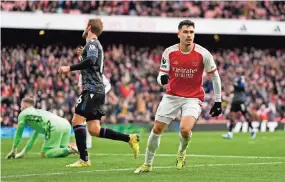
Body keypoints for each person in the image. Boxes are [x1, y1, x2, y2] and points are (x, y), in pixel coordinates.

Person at [134, 20, 222, 173]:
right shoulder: (169, 52)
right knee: (157, 129)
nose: (189, 35)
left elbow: (215, 77)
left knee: (185, 130)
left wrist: (218, 101)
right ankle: (147, 164)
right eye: (186, 32)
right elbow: (161, 75)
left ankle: (181, 152)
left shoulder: (203, 54)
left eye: (191, 32)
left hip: (193, 98)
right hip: (172, 96)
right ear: (179, 34)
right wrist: (161, 80)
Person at [58, 18, 139, 167]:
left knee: (76, 121)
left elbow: (92, 61)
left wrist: (69, 67)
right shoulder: (92, 45)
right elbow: (91, 62)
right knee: (94, 129)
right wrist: (83, 56)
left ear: (89, 28)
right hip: (97, 90)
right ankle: (129, 138)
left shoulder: (93, 43)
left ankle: (84, 159)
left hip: (92, 89)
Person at [6, 97, 78, 159]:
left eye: (21, 106)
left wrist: (13, 150)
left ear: (24, 106)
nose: (20, 108)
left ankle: (71, 147)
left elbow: (19, 134)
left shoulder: (23, 114)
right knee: (60, 151)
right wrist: (23, 152)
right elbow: (33, 138)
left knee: (45, 154)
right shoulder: (39, 113)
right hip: (66, 124)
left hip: (53, 125)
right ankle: (72, 146)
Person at [222, 67, 256, 139]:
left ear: (241, 71)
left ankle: (253, 130)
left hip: (241, 100)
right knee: (232, 116)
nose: (237, 69)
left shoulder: (241, 78)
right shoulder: (237, 79)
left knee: (245, 115)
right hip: (235, 100)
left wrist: (236, 84)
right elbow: (234, 89)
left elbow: (243, 87)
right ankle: (230, 133)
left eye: (239, 69)